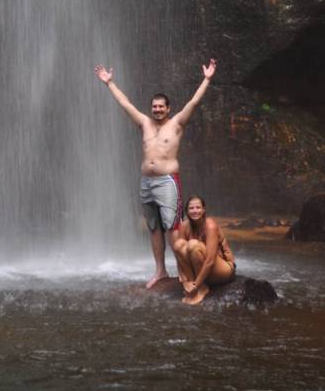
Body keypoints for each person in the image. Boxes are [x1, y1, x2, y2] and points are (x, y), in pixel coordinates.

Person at [94, 59, 217, 288]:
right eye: (154, 106)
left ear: (168, 108)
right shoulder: (144, 123)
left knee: (173, 227)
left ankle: (183, 270)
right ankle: (160, 271)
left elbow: (194, 102)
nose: (157, 109)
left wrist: (207, 79)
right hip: (146, 183)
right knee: (154, 228)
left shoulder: (177, 123)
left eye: (161, 106)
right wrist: (109, 83)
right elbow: (126, 104)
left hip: (167, 181)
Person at [174, 195, 236, 305]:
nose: (195, 211)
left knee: (193, 245)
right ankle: (192, 282)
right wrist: (184, 281)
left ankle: (202, 288)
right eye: (191, 208)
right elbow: (178, 255)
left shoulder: (210, 225)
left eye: (198, 207)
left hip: (223, 268)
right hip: (201, 269)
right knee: (178, 244)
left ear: (204, 209)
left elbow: (210, 261)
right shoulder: (184, 226)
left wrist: (197, 285)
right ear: (187, 211)